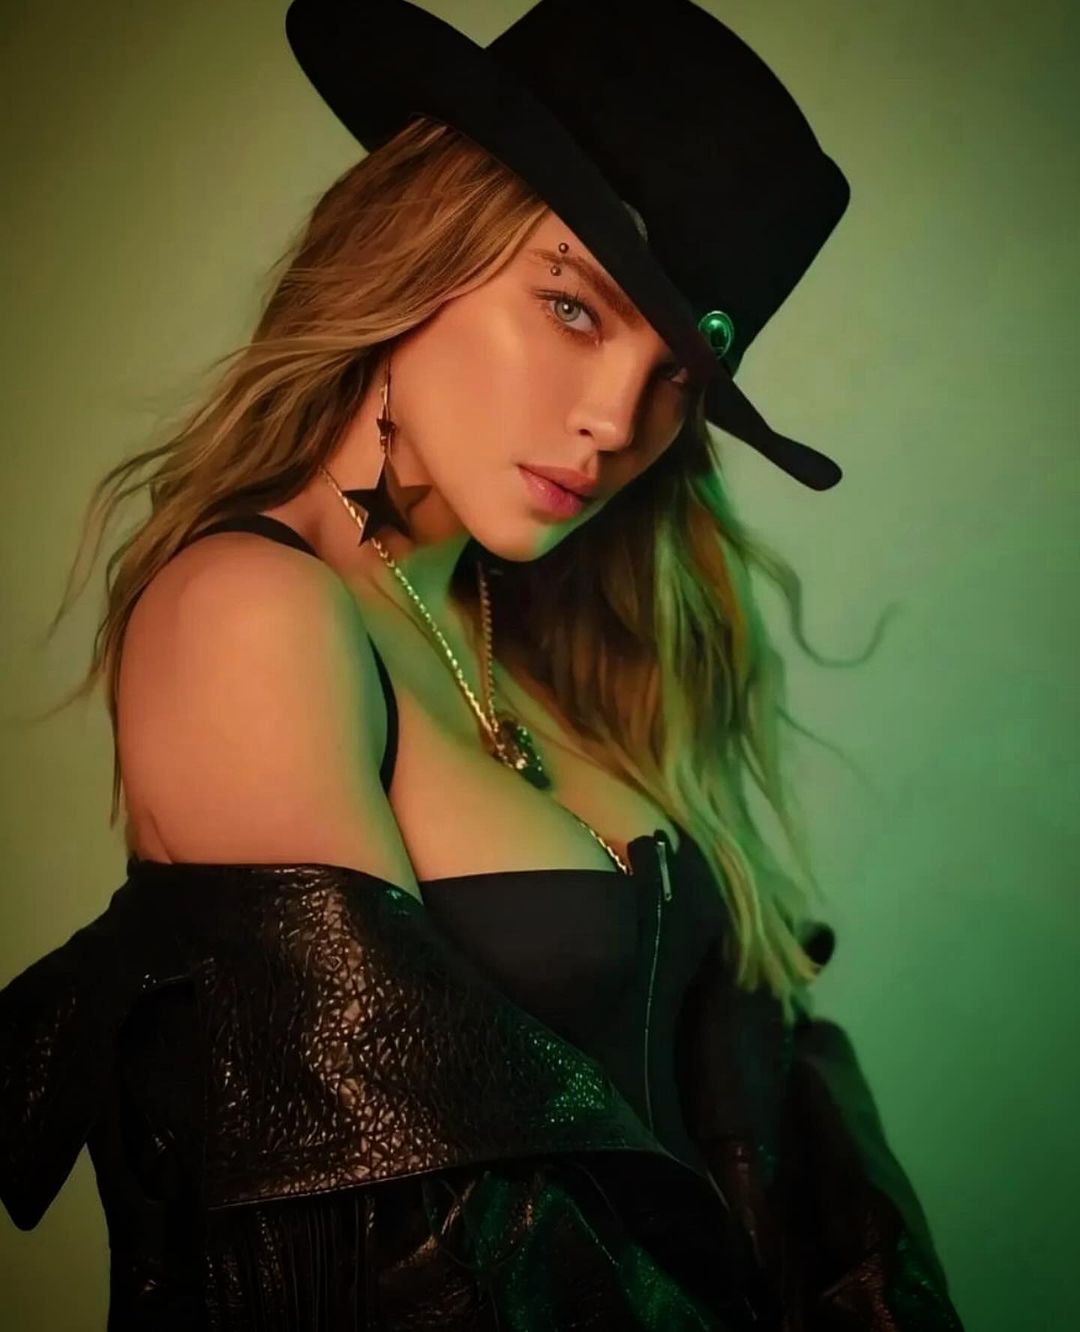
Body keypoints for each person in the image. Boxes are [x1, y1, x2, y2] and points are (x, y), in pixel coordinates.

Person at [0, 2, 965, 1328]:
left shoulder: (548, 638)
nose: (614, 421)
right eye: (571, 307)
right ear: (419, 251)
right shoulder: (250, 613)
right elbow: (399, 1249)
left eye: (677, 377)